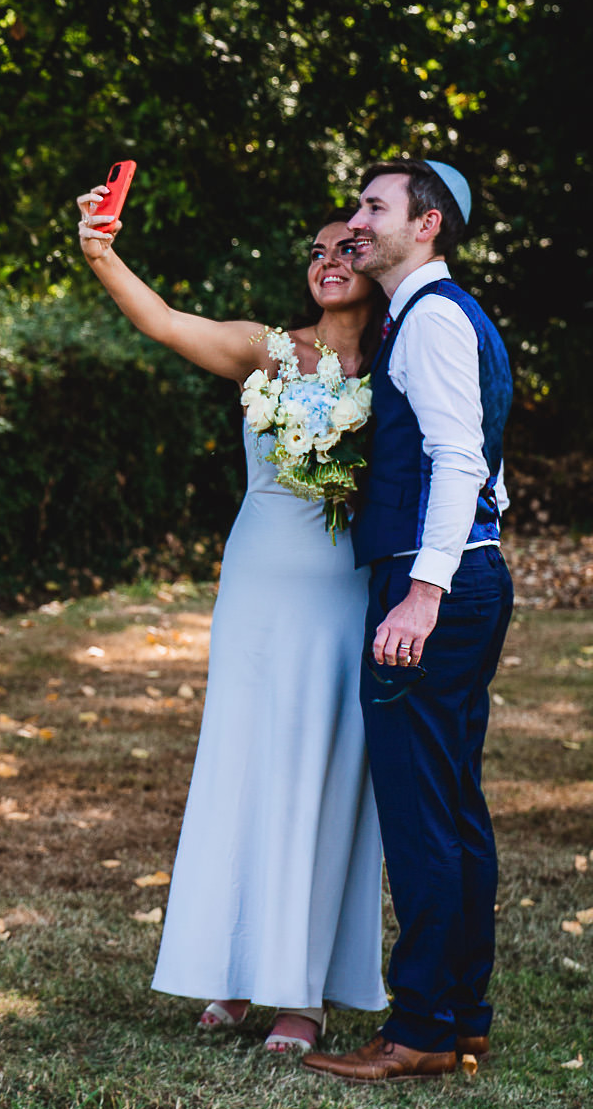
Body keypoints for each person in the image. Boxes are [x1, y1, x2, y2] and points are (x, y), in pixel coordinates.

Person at [74, 187, 388, 1053]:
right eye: (318, 252)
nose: (330, 261)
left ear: (382, 263)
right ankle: (232, 968)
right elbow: (168, 321)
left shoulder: (400, 365)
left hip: (341, 598)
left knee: (321, 780)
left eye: (349, 250)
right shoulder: (267, 350)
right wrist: (101, 251)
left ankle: (304, 993)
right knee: (244, 769)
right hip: (254, 591)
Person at [304, 159, 513, 1083]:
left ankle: (422, 1026)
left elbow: (459, 461)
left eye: (373, 207)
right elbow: (484, 464)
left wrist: (420, 595)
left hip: (435, 588)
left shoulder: (427, 319)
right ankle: (461, 1012)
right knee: (455, 805)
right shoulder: (447, 314)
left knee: (422, 812)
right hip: (469, 578)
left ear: (424, 226)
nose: (356, 221)